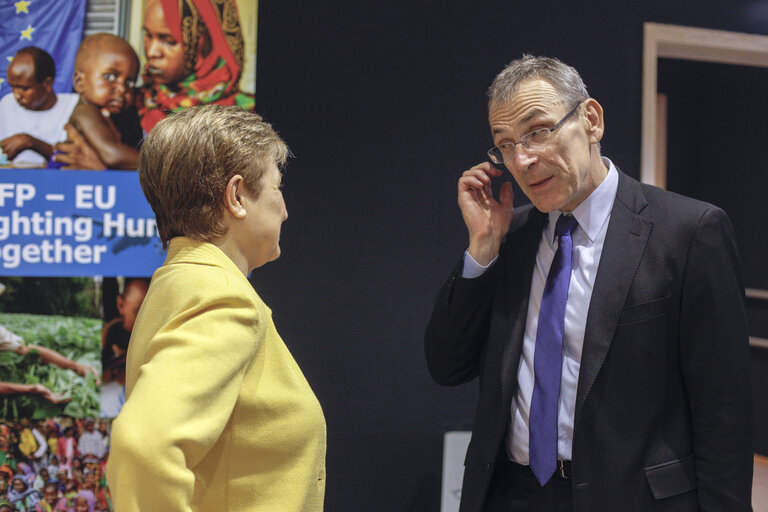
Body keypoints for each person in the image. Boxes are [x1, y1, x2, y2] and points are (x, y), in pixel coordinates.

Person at [424, 55, 753, 511]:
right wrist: (482, 247)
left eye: (538, 131)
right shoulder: (512, 238)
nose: (522, 159)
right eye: (505, 144)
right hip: (510, 494)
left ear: (591, 120)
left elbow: (724, 413)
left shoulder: (688, 231)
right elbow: (446, 365)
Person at [106, 105, 326, 511]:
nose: (285, 209)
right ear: (237, 196)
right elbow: (142, 446)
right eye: (277, 188)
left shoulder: (177, 282)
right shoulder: (221, 295)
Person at [138, 0, 255, 133]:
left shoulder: (249, 119)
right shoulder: (129, 103)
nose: (152, 52)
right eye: (147, 35)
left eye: (169, 41)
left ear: (204, 43)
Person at [66, 34, 141, 170]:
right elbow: (112, 154)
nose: (122, 89)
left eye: (130, 82)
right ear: (79, 82)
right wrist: (162, 165)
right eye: (110, 77)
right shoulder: (85, 111)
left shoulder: (117, 117)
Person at [0, 47, 78, 167]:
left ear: (47, 84)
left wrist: (30, 142)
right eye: (12, 87)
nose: (16, 95)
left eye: (24, 89)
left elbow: (74, 159)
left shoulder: (73, 106)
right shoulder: (7, 104)